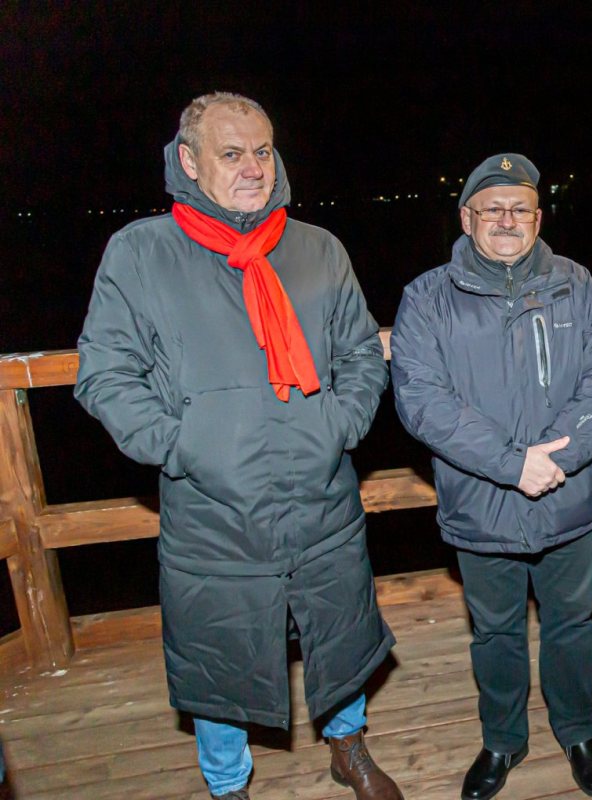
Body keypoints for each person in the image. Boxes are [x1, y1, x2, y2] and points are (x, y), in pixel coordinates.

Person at [75, 93, 402, 800]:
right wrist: (185, 444)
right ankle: (229, 786)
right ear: (189, 162)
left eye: (262, 151)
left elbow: (360, 353)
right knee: (218, 655)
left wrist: (338, 424)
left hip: (320, 494)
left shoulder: (317, 249)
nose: (253, 167)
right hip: (212, 508)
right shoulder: (141, 252)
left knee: (339, 628)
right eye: (231, 153)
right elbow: (105, 374)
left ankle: (348, 747)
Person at [390, 154, 592, 799]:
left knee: (571, 625)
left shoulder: (576, 284)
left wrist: (560, 457)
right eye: (491, 209)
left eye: (519, 209)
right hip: (482, 504)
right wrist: (511, 462)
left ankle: (578, 731)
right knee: (494, 632)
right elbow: (422, 401)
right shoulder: (426, 298)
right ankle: (502, 739)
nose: (505, 220)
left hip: (567, 497)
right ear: (466, 218)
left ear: (538, 218)